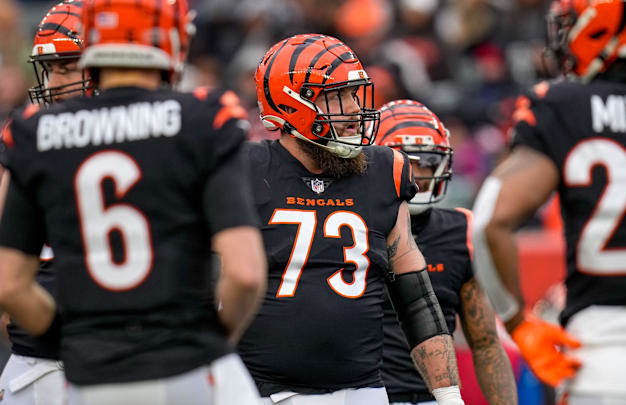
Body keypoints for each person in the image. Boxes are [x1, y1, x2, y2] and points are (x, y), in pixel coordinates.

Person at [0, 0, 267, 404]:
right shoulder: (204, 119)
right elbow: (245, 274)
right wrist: (211, 343)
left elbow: (9, 284)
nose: (54, 82)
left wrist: (71, 342)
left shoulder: (35, 135)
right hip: (188, 363)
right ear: (173, 41)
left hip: (90, 373)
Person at [471, 0, 626, 404]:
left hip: (602, 367)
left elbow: (488, 221)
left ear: (600, 28)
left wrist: (518, 321)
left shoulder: (562, 106)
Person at [239, 33, 465, 405]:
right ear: (291, 103)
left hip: (365, 392)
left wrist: (449, 395)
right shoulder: (246, 170)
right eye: (336, 96)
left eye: (353, 94)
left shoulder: (384, 171)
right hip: (268, 391)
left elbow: (416, 300)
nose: (353, 109)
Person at [375, 99, 517, 405]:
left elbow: (485, 342)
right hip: (366, 395)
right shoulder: (352, 226)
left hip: (437, 396)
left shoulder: (460, 230)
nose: (420, 174)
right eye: (408, 162)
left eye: (427, 163)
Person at [0, 1, 89, 404]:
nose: (54, 82)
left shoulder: (161, 139)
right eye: (50, 68)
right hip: (44, 362)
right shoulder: (28, 138)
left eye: (67, 67)